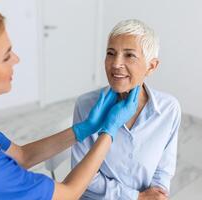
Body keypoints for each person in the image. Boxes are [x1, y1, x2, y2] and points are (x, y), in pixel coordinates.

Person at [0, 1, 140, 199]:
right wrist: (108, 132)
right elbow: (68, 194)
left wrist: (83, 128)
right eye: (6, 56)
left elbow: (22, 157)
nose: (16, 59)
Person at [71, 19, 181, 200]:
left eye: (129, 55)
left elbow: (164, 168)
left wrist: (158, 194)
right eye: (110, 53)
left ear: (151, 66)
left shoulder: (169, 109)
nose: (115, 64)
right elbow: (83, 179)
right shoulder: (86, 106)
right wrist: (136, 197)